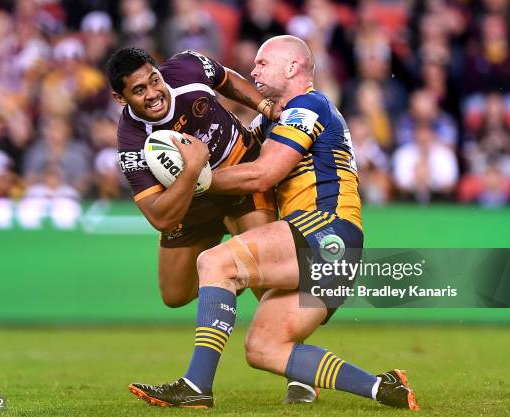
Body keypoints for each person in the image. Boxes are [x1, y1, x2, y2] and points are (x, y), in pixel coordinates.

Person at [128, 36, 419, 411]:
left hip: (325, 228)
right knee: (263, 348)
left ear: (293, 68)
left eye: (263, 63)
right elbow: (241, 155)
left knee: (215, 263)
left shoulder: (309, 104)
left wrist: (196, 178)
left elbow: (263, 174)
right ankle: (382, 386)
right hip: (336, 256)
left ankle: (196, 385)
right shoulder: (274, 120)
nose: (253, 70)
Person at [106, 47, 317, 403]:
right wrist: (192, 170)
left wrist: (263, 107)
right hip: (191, 202)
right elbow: (160, 217)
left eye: (153, 80)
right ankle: (224, 278)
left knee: (262, 279)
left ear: (160, 71)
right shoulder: (131, 142)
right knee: (174, 295)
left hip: (240, 176)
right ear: (120, 98)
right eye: (138, 90)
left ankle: (298, 371)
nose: (153, 93)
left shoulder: (187, 66)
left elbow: (227, 80)